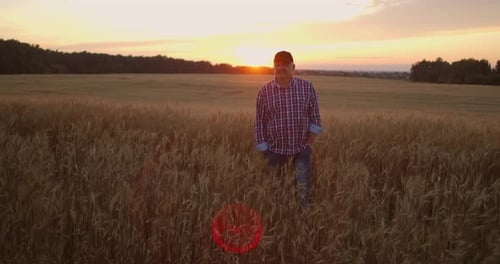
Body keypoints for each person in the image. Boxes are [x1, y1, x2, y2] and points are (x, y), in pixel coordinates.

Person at [254, 50, 323, 209]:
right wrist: (265, 151)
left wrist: (309, 144)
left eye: (285, 64)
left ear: (293, 67)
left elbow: (315, 118)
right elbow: (259, 122)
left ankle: (302, 222)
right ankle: (280, 219)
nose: (281, 68)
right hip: (274, 152)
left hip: (301, 151)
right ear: (273, 68)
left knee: (303, 192)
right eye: (277, 64)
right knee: (276, 192)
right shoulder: (264, 92)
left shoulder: (307, 88)